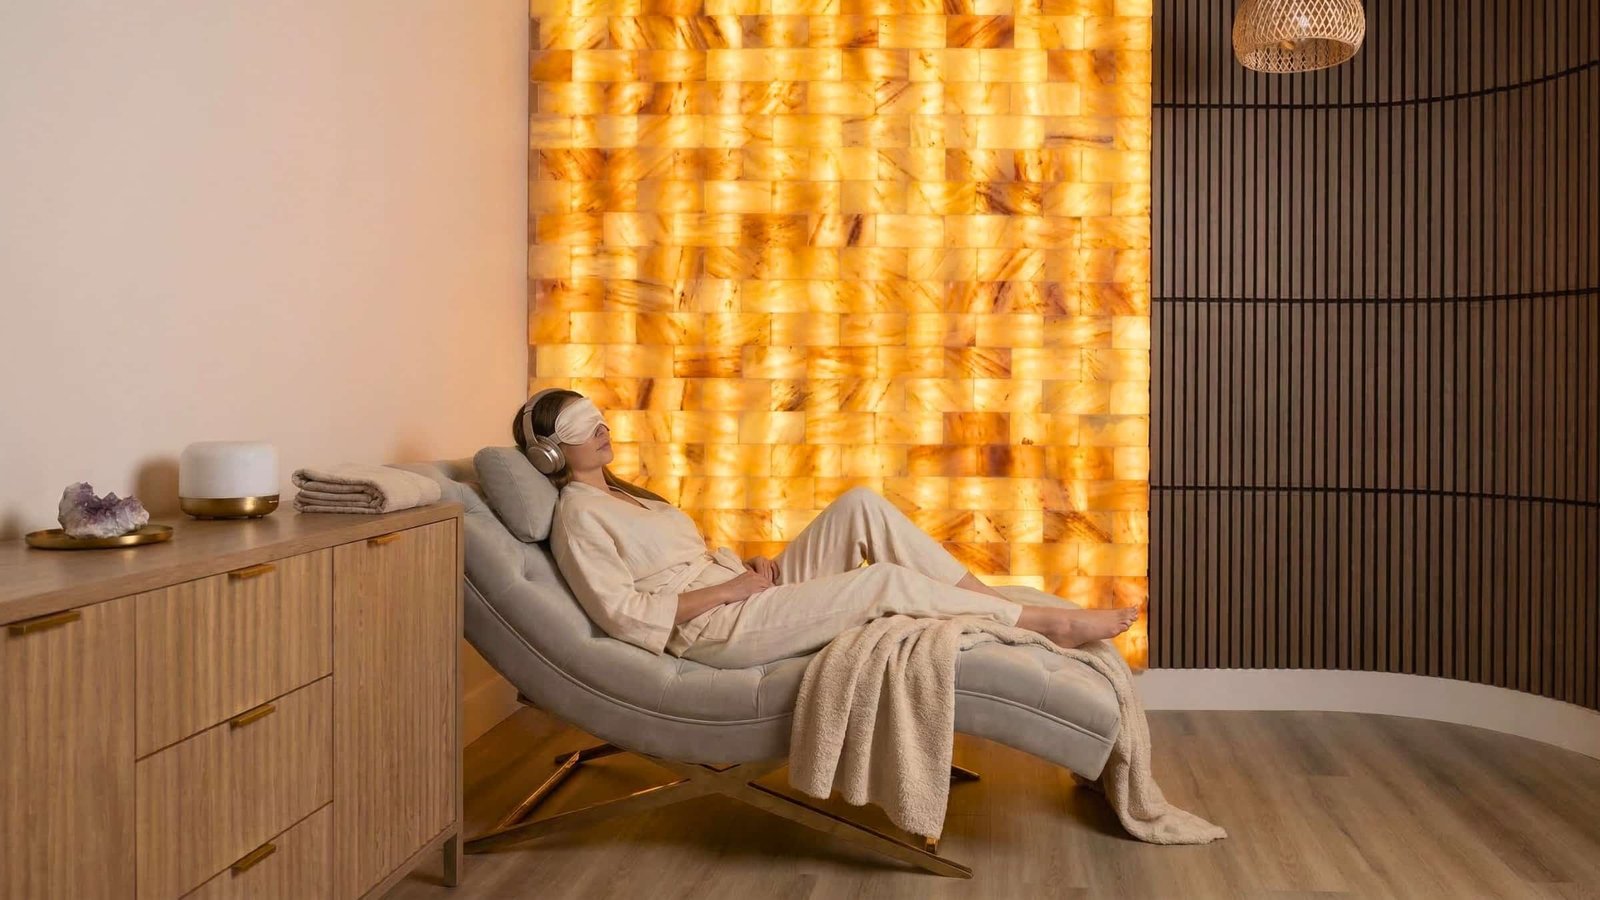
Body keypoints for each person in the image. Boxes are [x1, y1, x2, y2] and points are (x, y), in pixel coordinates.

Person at [514, 389, 1138, 670]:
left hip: (739, 592)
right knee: (883, 583)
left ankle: (992, 604)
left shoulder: (630, 497)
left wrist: (743, 569)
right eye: (577, 423)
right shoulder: (577, 517)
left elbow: (685, 558)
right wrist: (730, 593)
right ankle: (1044, 624)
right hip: (715, 630)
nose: (599, 426)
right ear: (550, 452)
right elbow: (622, 613)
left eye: (596, 415)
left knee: (861, 504)